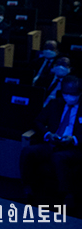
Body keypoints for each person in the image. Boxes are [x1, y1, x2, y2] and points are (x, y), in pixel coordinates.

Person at [20, 76, 82, 207]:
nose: (69, 96)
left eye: (73, 94)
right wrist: (48, 134)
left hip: (74, 148)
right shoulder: (55, 104)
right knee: (28, 151)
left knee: (58, 157)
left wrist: (74, 139)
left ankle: (67, 195)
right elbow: (37, 122)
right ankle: (27, 188)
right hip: (53, 142)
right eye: (66, 93)